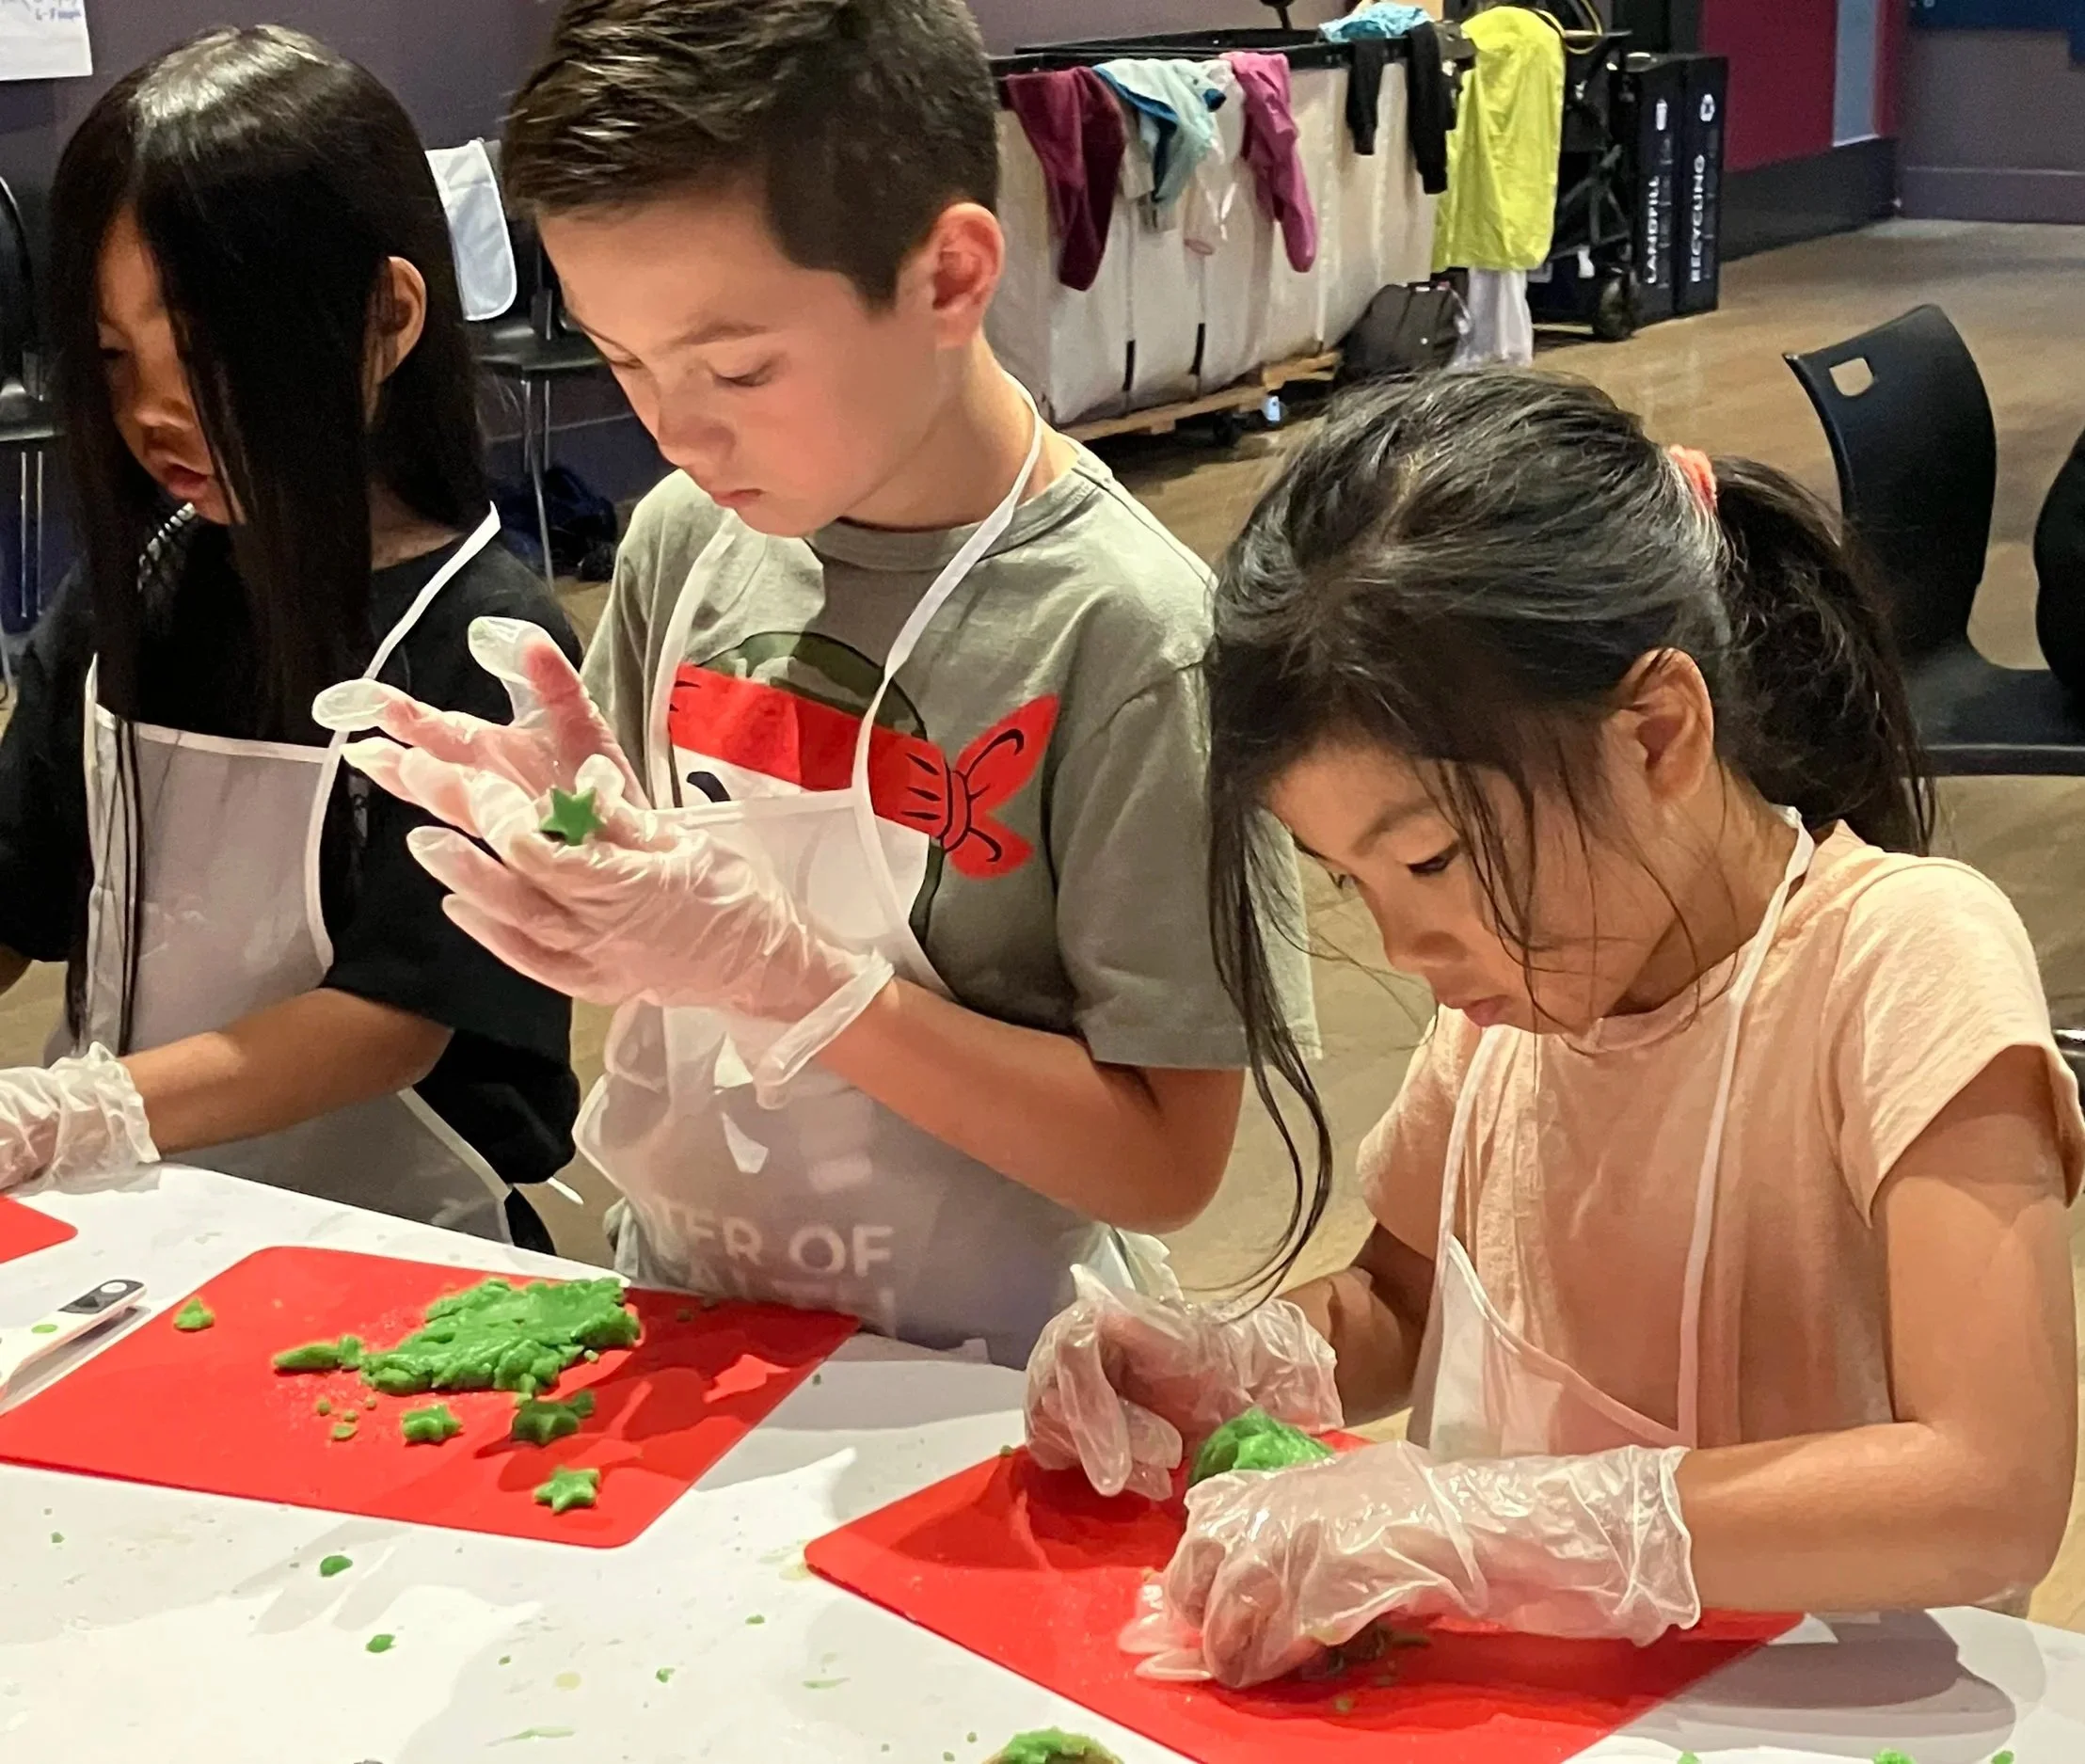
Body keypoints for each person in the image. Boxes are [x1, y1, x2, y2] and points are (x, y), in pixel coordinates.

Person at [1024, 372, 2083, 1687]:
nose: (1409, 949)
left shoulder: (1899, 962)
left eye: (1431, 860)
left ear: (1657, 732)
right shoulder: (1510, 1016)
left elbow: (1988, 1487)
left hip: (1833, 1702)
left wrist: (1490, 1523)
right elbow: (1395, 1300)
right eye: (1352, 880)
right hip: (1542, 1703)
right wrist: (1238, 1360)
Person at [315, 0, 1315, 1367]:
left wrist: (800, 979)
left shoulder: (1131, 637)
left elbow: (1162, 1161)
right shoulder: (686, 543)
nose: (677, 427)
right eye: (623, 360)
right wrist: (581, 863)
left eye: (738, 366)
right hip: (692, 1315)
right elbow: (665, 953)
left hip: (984, 1375)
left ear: (952, 276)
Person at [0, 27, 582, 1247]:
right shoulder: (126, 599)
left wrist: (85, 1103)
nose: (154, 412)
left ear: (386, 315)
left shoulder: (484, 643)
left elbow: (391, 1014)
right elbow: (22, 894)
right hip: (124, 1228)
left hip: (393, 1248)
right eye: (114, 359)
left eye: (207, 355)